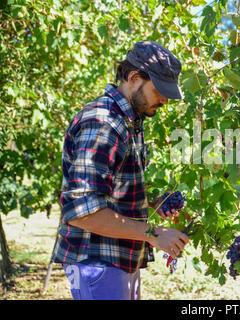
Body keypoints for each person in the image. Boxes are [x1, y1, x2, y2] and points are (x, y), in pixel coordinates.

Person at [52, 41, 189, 300]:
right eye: (159, 90)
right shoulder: (102, 122)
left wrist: (155, 202)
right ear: (134, 77)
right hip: (97, 263)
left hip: (117, 260)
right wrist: (154, 234)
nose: (164, 100)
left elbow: (114, 191)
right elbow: (82, 212)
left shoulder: (129, 120)